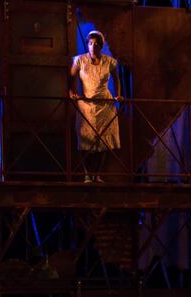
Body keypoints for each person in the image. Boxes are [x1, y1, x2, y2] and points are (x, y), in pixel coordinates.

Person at [70, 30, 123, 183]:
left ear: (101, 46)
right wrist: (72, 92)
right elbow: (71, 76)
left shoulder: (109, 61)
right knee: (85, 140)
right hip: (86, 104)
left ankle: (97, 174)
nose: (93, 46)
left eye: (96, 44)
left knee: (103, 141)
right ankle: (87, 174)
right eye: (90, 43)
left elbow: (116, 78)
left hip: (105, 104)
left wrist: (118, 94)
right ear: (87, 45)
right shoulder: (80, 60)